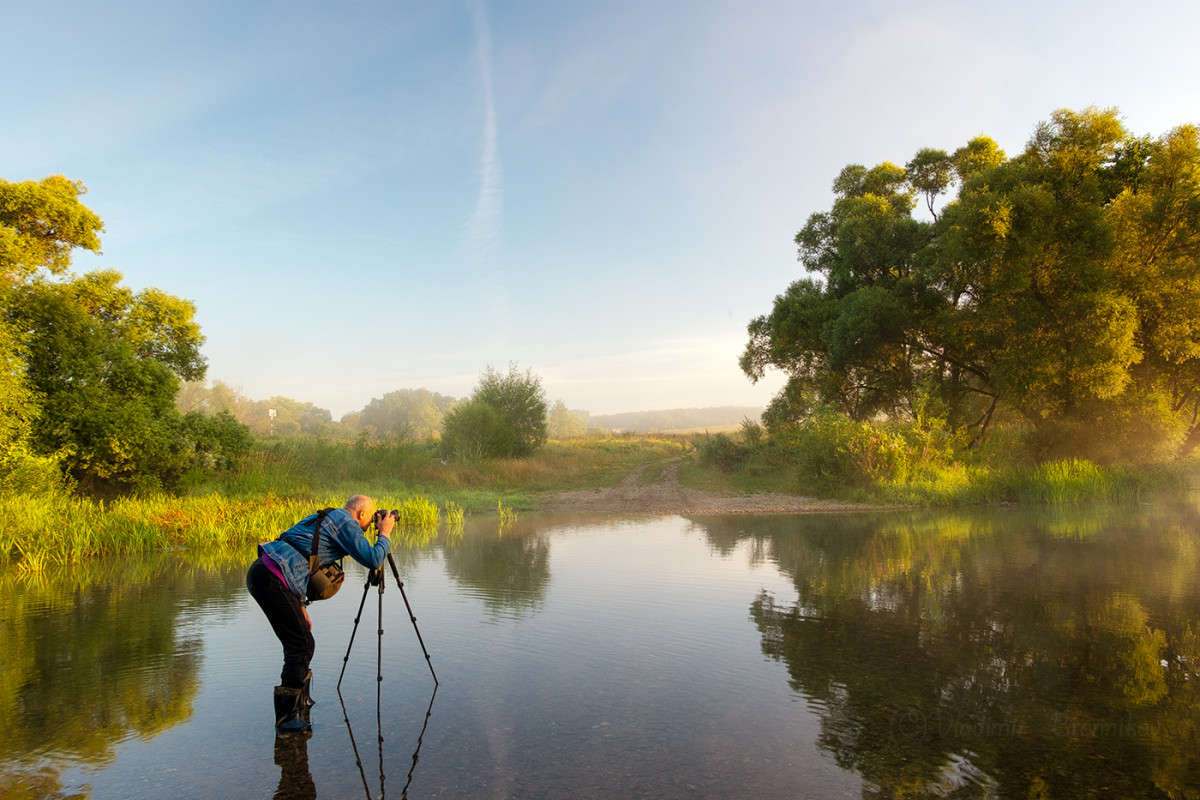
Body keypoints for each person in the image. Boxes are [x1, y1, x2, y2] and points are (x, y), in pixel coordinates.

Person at [247, 494, 394, 732]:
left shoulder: (325, 515)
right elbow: (373, 558)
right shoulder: (346, 522)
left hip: (266, 572)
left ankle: (301, 704)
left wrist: (301, 605)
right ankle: (287, 719)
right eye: (368, 523)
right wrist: (385, 533)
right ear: (361, 514)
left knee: (303, 638)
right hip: (272, 578)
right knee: (301, 644)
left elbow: (299, 553)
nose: (367, 529)